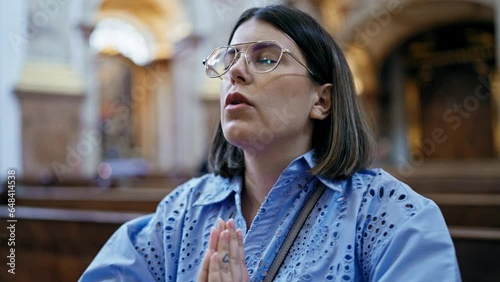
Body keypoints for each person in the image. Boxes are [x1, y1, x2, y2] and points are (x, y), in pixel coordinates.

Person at [80, 5, 461, 282]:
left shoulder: (389, 216)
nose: (237, 72)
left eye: (265, 59)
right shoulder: (181, 212)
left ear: (321, 100)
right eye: (229, 61)